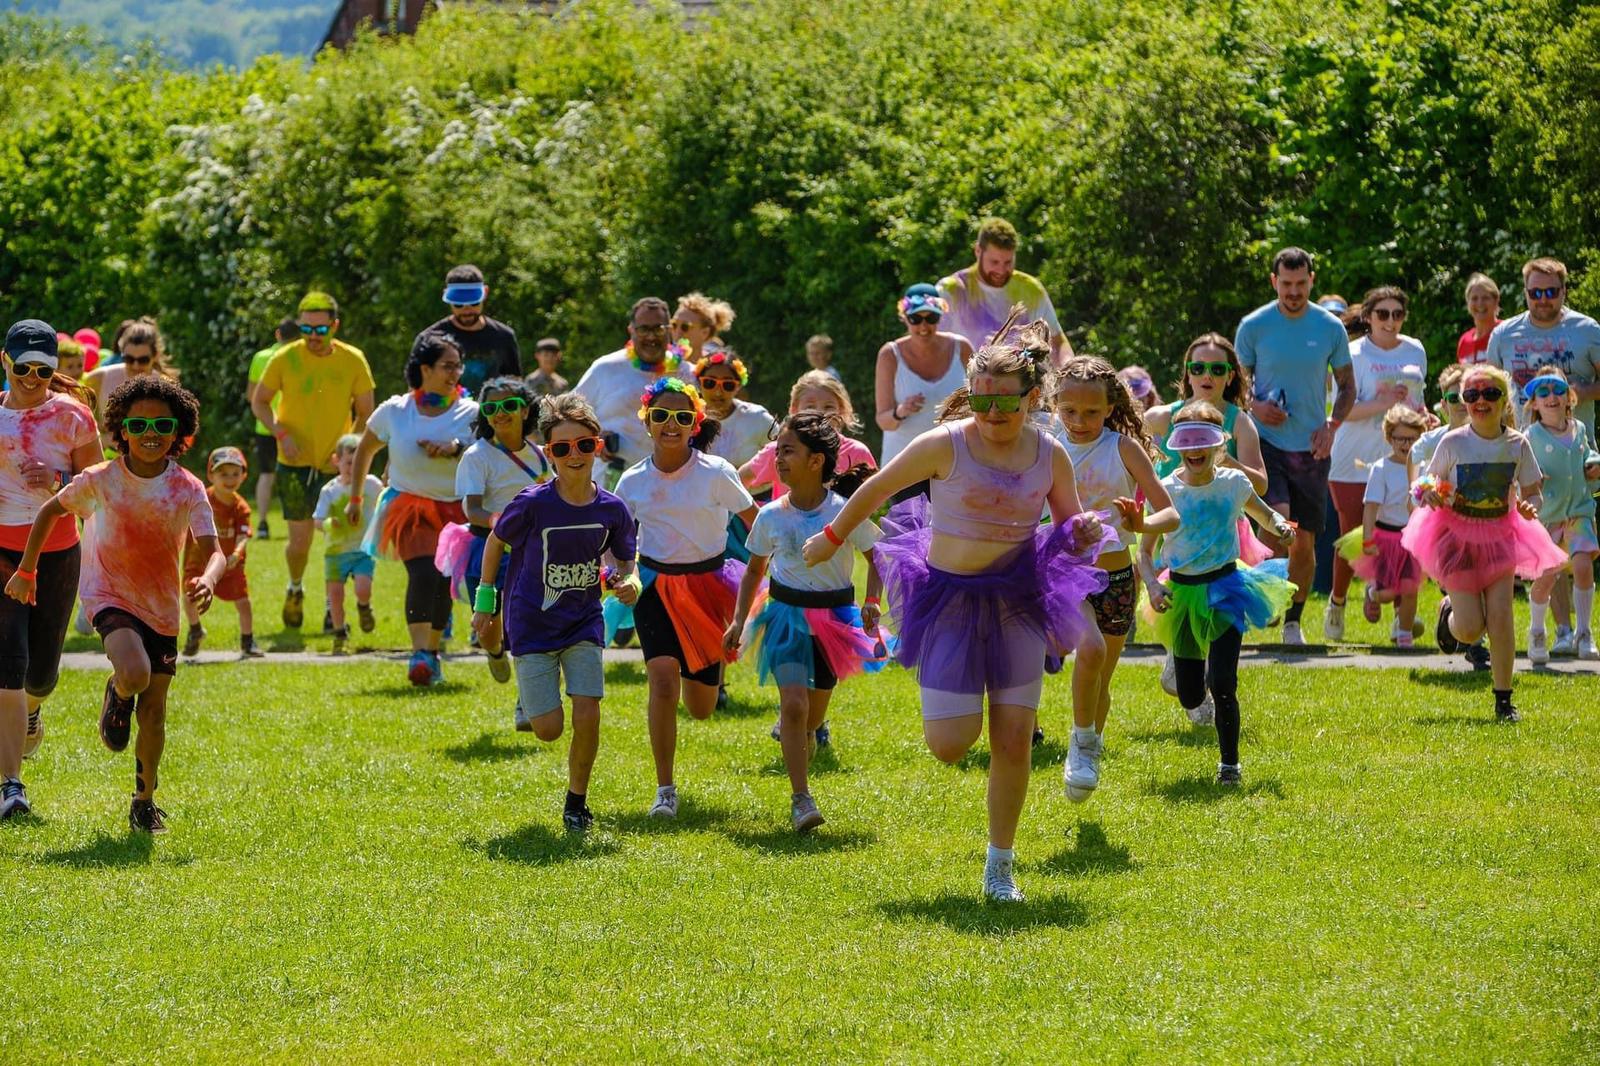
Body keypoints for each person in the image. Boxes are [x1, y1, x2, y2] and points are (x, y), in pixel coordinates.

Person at [803, 317, 1111, 903]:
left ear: (1031, 398)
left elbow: (1070, 524)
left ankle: (1001, 867)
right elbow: (876, 489)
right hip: (947, 598)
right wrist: (834, 535)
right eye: (982, 399)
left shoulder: (1049, 455)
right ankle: (949, 708)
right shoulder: (944, 443)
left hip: (1018, 598)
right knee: (950, 743)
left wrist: (1082, 530)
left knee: (1014, 736)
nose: (993, 412)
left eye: (1007, 402)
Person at [7, 375, 224, 833]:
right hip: (108, 595)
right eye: (138, 423)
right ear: (120, 429)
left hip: (161, 606)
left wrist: (207, 577)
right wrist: (26, 571)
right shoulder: (101, 479)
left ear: (178, 432)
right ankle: (118, 690)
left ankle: (144, 800)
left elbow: (214, 549)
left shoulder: (187, 487)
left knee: (155, 710)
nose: (150, 433)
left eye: (162, 425)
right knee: (136, 672)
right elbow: (50, 511)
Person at [472, 394, 639, 832]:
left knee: (588, 711)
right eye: (562, 448)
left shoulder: (612, 509)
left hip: (583, 621)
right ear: (549, 454)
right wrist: (486, 602)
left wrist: (630, 581)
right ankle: (528, 698)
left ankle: (576, 803)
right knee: (547, 728)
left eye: (583, 445)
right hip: (531, 623)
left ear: (597, 447)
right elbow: (495, 542)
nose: (574, 455)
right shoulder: (532, 503)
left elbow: (625, 559)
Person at [724, 413, 885, 833]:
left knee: (812, 719)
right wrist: (739, 620)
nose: (778, 460)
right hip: (784, 616)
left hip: (833, 619)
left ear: (817, 461)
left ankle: (804, 744)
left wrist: (870, 600)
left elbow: (877, 557)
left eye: (788, 451)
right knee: (793, 706)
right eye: (777, 452)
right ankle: (801, 799)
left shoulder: (846, 513)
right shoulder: (770, 516)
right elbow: (754, 572)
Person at [612, 378, 757, 820]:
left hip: (709, 588)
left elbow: (756, 522)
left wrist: (779, 561)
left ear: (695, 422)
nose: (670, 424)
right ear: (647, 422)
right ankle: (664, 789)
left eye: (680, 416)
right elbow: (617, 541)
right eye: (660, 416)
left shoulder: (717, 473)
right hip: (655, 588)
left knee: (702, 706)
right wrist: (620, 574)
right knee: (660, 678)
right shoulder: (632, 481)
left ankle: (704, 692)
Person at [1139, 402, 1297, 785]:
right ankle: (1188, 671)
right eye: (1187, 441)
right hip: (1183, 595)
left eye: (1203, 441)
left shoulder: (1233, 483)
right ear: (1176, 445)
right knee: (1192, 695)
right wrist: (1153, 584)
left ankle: (1230, 765)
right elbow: (1144, 553)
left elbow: (1261, 512)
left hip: (1226, 588)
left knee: (1224, 684)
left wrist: (1281, 526)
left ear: (1218, 446)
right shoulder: (1166, 491)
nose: (1195, 450)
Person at [1051, 357, 1179, 802]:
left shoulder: (1122, 448)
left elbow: (1170, 513)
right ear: (1054, 406)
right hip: (1065, 574)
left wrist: (1142, 525)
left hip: (1117, 577)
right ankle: (1082, 744)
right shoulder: (1045, 443)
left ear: (1109, 408)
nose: (1079, 421)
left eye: (1090, 412)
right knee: (1091, 651)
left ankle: (1086, 743)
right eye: (1069, 411)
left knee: (1100, 680)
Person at [1405, 365, 1565, 722]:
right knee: (1471, 628)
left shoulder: (1516, 444)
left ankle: (1504, 699)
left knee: (1501, 616)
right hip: (1456, 537)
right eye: (1472, 395)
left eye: (1490, 393)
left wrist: (1529, 507)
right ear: (1463, 401)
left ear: (1504, 399)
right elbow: (1426, 482)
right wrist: (1427, 493)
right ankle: (1450, 616)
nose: (1481, 401)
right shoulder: (1453, 442)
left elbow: (1534, 492)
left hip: (1501, 537)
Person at [0, 321, 100, 819]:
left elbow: (98, 489)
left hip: (59, 552)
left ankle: (35, 710)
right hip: (1, 553)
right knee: (8, 668)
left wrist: (59, 479)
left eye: (44, 370)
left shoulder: (73, 416)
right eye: (24, 368)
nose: (34, 377)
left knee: (41, 674)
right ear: (6, 363)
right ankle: (11, 786)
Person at [1234, 247, 1356, 644]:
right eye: (1286, 284)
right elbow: (1235, 386)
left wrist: (1332, 425)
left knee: (1304, 542)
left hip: (1312, 447)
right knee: (1276, 524)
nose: (1293, 291)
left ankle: (1292, 621)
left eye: (1301, 283)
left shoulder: (1329, 327)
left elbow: (1348, 386)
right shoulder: (1253, 326)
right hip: (1265, 442)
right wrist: (1255, 406)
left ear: (1311, 281)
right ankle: (1263, 599)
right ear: (1274, 282)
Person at [348, 333, 478, 686]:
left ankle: (432, 653)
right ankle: (419, 653)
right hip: (409, 506)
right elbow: (365, 449)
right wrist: (356, 497)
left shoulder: (472, 411)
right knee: (423, 573)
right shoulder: (395, 410)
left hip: (456, 510)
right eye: (446, 366)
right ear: (424, 368)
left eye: (458, 366)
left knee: (443, 581)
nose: (455, 373)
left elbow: (489, 451)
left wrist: (455, 447)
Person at [251, 291, 376, 629]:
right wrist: (280, 433)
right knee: (300, 541)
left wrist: (351, 451)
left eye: (321, 330)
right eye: (306, 329)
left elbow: (366, 412)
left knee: (336, 539)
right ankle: (294, 588)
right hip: (293, 463)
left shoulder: (353, 360)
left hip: (336, 467)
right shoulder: (285, 358)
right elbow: (260, 401)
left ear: (334, 326)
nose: (313, 337)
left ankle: (330, 610)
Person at [1324, 287, 1428, 641]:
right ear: (1367, 317)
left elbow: (1419, 403)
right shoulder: (1351, 353)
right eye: (1382, 314)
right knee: (1354, 535)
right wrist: (1384, 404)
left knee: (1404, 536)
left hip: (1403, 459)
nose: (1390, 321)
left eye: (1397, 314)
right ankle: (1338, 603)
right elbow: (1342, 410)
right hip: (1353, 457)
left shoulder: (1415, 350)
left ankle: (1402, 619)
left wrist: (1423, 417)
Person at [451, 377, 550, 713]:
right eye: (491, 408)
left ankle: (527, 701)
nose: (500, 413)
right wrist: (503, 522)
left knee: (526, 623)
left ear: (525, 409)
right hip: (487, 548)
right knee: (489, 628)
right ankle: (494, 651)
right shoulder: (478, 455)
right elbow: (472, 509)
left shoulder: (542, 455)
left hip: (532, 551)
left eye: (509, 405)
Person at [572, 297, 698, 483]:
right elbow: (567, 415)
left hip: (672, 488)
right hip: (610, 486)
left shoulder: (689, 373)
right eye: (643, 329)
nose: (651, 336)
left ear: (670, 330)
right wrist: (592, 437)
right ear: (631, 330)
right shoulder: (605, 368)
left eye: (658, 328)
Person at [1521, 368, 1600, 661]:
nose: (1551, 396)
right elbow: (1524, 471)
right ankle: (1538, 629)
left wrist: (1594, 465)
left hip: (1578, 513)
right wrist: (1533, 481)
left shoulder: (1578, 428)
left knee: (1583, 567)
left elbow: (1589, 455)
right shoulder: (1531, 436)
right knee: (1546, 580)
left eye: (1557, 389)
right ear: (1534, 404)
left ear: (1569, 397)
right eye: (1542, 392)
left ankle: (1583, 632)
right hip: (1548, 519)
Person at [1334, 406, 1427, 646]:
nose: (1406, 444)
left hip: (1412, 538)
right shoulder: (1381, 468)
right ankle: (1373, 593)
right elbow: (1371, 507)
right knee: (1388, 593)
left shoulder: (1422, 468)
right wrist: (1367, 539)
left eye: (1412, 439)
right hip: (1386, 538)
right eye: (1400, 439)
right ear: (1389, 438)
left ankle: (1404, 635)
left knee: (1409, 588)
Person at [1488, 257, 1600, 447]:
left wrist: (1584, 393)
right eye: (1535, 293)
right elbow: (1489, 390)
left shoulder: (1588, 330)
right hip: (1520, 450)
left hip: (1577, 449)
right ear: (1526, 293)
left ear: (1564, 291)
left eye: (1551, 292)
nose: (1543, 299)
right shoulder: (1503, 334)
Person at [875, 284, 973, 483]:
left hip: (954, 460)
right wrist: (901, 411)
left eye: (931, 318)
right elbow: (882, 420)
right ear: (905, 318)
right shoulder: (889, 355)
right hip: (904, 465)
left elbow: (981, 398)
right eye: (916, 319)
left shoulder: (961, 348)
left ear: (940, 317)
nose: (923, 326)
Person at [936, 217, 1068, 360]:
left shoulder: (1031, 290)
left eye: (1008, 262)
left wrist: (1069, 371)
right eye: (994, 262)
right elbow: (928, 344)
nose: (1001, 270)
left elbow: (1057, 342)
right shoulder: (950, 290)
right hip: (967, 380)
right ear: (978, 251)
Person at [180, 447, 265, 659]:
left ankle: (248, 640)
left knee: (243, 602)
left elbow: (244, 533)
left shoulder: (241, 507)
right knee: (190, 595)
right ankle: (195, 630)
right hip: (198, 561)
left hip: (230, 564)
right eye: (223, 474)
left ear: (244, 476)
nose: (230, 479)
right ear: (211, 475)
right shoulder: (200, 499)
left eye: (235, 474)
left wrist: (236, 553)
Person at [743, 370, 875, 504]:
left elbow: (874, 497)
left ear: (840, 410)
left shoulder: (857, 453)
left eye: (829, 407)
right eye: (810, 406)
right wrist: (758, 515)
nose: (821, 413)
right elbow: (737, 481)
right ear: (794, 410)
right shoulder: (779, 451)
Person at [313, 435, 382, 655]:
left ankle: (364, 607)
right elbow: (316, 520)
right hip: (336, 552)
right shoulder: (329, 491)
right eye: (349, 463)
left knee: (363, 588)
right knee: (335, 595)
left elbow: (386, 501)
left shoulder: (371, 485)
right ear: (336, 461)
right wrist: (327, 524)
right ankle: (339, 633)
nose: (354, 468)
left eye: (359, 462)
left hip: (362, 550)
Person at [415, 264, 522, 397]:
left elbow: (516, 388)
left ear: (485, 293)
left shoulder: (504, 337)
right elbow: (416, 391)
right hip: (443, 414)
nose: (466, 309)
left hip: (492, 415)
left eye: (474, 302)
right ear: (447, 296)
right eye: (458, 304)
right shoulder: (428, 339)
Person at [82, 318, 177, 453]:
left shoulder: (166, 386)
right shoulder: (97, 379)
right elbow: (82, 426)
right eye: (129, 359)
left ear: (155, 356)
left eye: (143, 360)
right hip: (105, 459)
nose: (135, 366)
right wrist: (101, 437)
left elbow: (172, 434)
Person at [248, 316, 298, 539]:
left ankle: (262, 523)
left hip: (265, 425)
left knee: (266, 475)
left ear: (278, 334)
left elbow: (252, 395)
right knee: (292, 475)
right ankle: (295, 524)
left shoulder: (262, 357)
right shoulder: (299, 357)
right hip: (292, 425)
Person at [695, 349, 776, 470]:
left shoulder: (758, 418)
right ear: (699, 384)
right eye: (709, 383)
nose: (718, 392)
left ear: (738, 386)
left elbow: (781, 457)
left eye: (728, 385)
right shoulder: (686, 419)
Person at [670, 293, 735, 364]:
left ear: (705, 333)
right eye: (674, 325)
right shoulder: (661, 364)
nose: (677, 332)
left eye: (685, 327)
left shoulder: (715, 370)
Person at [1458, 273, 1502, 365]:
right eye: (1474, 298)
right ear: (1468, 303)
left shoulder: (1506, 333)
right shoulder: (1464, 341)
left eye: (1485, 298)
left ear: (1496, 301)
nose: (1480, 303)